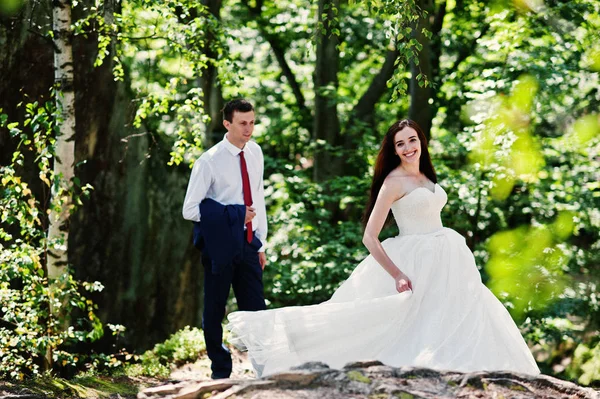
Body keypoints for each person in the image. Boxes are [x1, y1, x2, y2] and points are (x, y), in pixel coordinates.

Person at [227, 119, 540, 378]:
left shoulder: (427, 175)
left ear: (421, 141)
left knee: (460, 313)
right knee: (387, 320)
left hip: (447, 254)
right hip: (414, 257)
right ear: (394, 150)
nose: (408, 148)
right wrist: (397, 273)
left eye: (412, 140)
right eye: (400, 144)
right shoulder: (394, 181)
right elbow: (369, 237)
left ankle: (472, 370)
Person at [182, 99, 268, 379]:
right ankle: (221, 370)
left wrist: (261, 243)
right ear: (227, 123)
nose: (249, 129)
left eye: (252, 122)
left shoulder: (255, 153)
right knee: (214, 309)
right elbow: (190, 210)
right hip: (219, 245)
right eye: (243, 123)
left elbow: (259, 199)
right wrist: (235, 214)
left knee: (257, 310)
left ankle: (263, 371)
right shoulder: (209, 161)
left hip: (248, 244)